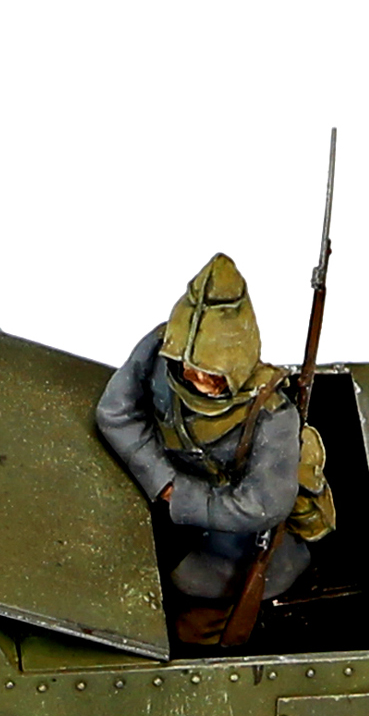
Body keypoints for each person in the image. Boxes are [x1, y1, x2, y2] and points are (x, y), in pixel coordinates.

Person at [96, 253, 334, 645]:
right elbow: (115, 413)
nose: (199, 382)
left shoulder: (273, 415)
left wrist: (184, 499)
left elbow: (264, 505)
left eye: (213, 375)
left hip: (231, 539)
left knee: (196, 625)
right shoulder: (158, 351)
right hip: (160, 505)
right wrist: (162, 482)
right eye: (191, 370)